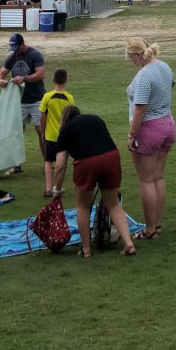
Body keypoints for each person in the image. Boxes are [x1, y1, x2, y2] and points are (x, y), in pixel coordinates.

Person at [51, 104, 136, 258]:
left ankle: (86, 250)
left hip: (86, 162)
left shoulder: (65, 130)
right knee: (113, 204)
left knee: (83, 206)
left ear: (64, 118)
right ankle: (128, 243)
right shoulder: (95, 119)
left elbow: (59, 166)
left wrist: (57, 189)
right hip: (111, 156)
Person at [125, 37, 176, 240]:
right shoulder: (164, 66)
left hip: (149, 128)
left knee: (146, 180)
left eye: (130, 56)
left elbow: (140, 108)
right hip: (168, 124)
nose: (130, 60)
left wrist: (132, 134)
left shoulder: (144, 76)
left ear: (138, 55)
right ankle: (157, 224)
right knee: (158, 177)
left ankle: (149, 229)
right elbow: (170, 85)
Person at [0, 32, 46, 177]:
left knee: (41, 132)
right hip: (19, 101)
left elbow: (41, 74)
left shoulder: (35, 55)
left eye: (17, 47)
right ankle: (15, 164)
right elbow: (1, 73)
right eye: (13, 48)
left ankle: (48, 162)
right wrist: (0, 81)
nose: (15, 51)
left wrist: (24, 78)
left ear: (23, 44)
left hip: (37, 99)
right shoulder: (11, 57)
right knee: (16, 132)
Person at [39, 69, 75, 197]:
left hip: (50, 135)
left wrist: (43, 132)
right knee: (62, 163)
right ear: (65, 81)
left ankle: (48, 189)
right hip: (64, 136)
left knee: (48, 161)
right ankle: (57, 187)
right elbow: (72, 118)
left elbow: (42, 116)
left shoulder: (47, 97)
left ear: (53, 80)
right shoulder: (69, 98)